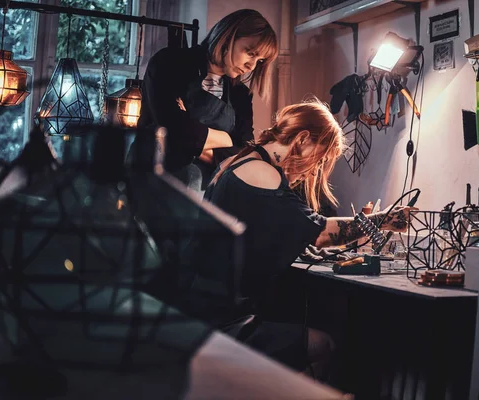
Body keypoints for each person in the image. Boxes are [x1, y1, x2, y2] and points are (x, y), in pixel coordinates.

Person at [183, 99, 417, 381]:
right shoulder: (262, 172)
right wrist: (384, 219)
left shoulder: (240, 161)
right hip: (220, 320)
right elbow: (319, 234)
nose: (311, 170)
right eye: (317, 158)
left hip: (201, 307)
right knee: (325, 345)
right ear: (303, 138)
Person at [129, 9, 278, 191]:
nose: (252, 66)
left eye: (260, 61)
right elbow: (172, 130)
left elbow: (243, 153)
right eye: (250, 52)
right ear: (228, 36)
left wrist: (191, 135)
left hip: (206, 192)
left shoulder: (241, 96)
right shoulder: (168, 63)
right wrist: (226, 138)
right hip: (152, 180)